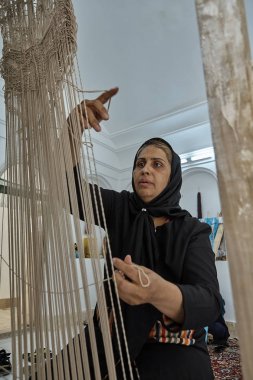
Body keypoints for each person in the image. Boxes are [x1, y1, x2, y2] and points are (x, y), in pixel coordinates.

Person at [69, 88, 222, 380]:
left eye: (157, 164)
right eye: (140, 163)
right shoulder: (121, 208)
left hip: (174, 347)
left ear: (172, 176)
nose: (145, 170)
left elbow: (209, 302)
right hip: (112, 338)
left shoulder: (193, 231)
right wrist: (72, 130)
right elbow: (72, 191)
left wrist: (157, 292)